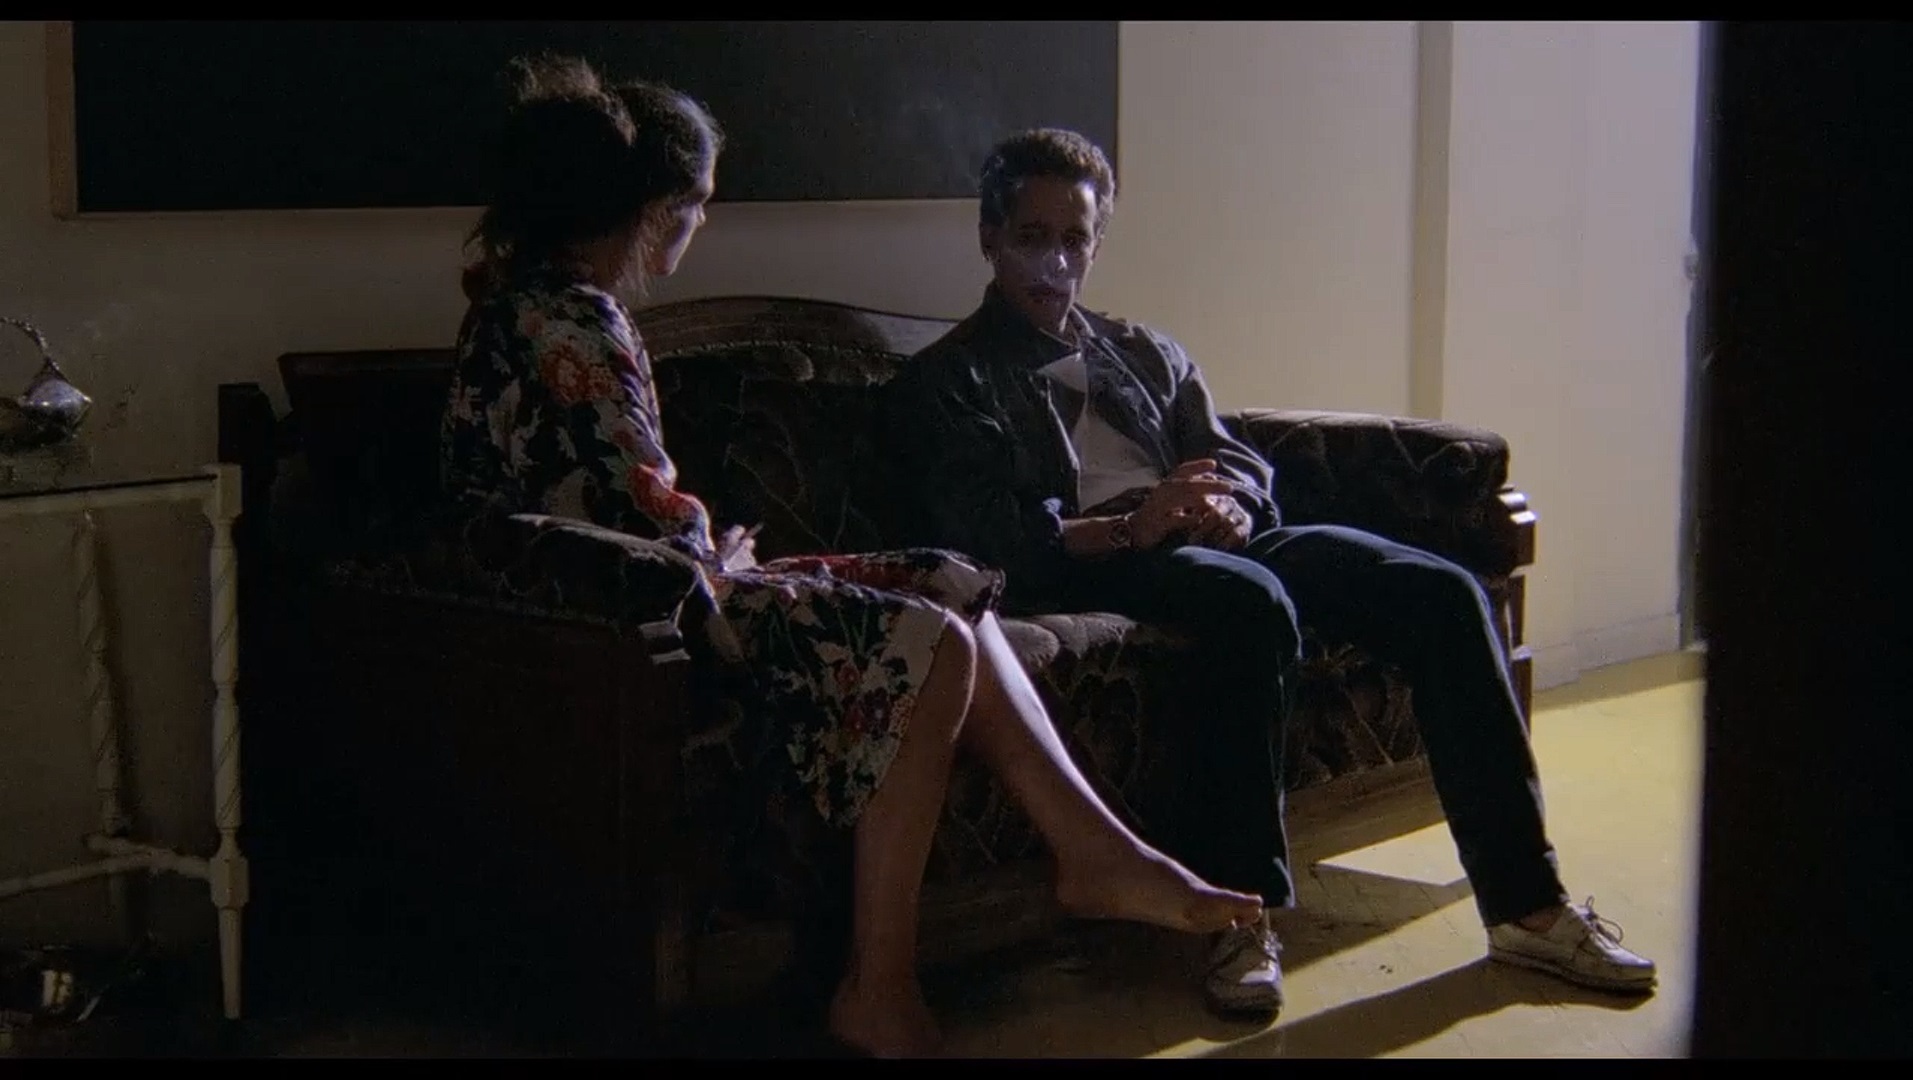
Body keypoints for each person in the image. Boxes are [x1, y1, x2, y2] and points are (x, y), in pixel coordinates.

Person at [437, 60, 1263, 1059]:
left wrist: (703, 543)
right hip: (638, 614)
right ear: (654, 211)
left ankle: (1094, 852)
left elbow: (611, 491)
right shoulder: (576, 321)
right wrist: (711, 546)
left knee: (948, 579)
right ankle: (882, 985)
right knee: (932, 642)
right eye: (698, 206)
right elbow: (635, 515)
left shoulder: (531, 303)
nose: (700, 226)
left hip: (656, 586)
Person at [882, 128, 1659, 1019]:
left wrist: (1236, 505)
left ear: (1098, 243)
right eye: (1032, 237)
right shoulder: (950, 380)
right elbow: (992, 542)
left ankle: (1528, 907)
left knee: (1443, 591)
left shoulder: (1144, 351)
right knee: (1251, 601)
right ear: (990, 237)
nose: (1056, 261)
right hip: (1094, 562)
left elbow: (1233, 456)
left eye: (1075, 239)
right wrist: (1137, 524)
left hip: (1216, 539)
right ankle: (1238, 914)